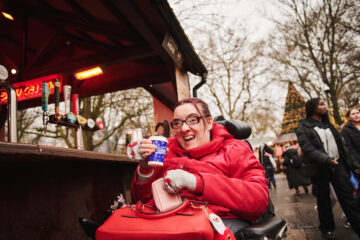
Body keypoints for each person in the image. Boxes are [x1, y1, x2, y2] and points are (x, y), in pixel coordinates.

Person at [132, 97, 269, 234]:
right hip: (168, 224)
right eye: (177, 123)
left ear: (209, 122)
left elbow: (258, 200)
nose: (184, 128)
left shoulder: (235, 149)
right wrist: (145, 169)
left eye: (192, 120)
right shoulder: (165, 150)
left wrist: (196, 182)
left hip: (218, 222)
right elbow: (140, 202)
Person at [295, 98, 360, 239]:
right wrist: (326, 160)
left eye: (325, 103)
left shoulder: (329, 125)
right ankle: (327, 229)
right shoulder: (303, 126)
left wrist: (354, 165)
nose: (325, 106)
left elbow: (343, 148)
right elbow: (308, 148)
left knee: (348, 198)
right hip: (320, 169)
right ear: (313, 108)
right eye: (321, 104)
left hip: (338, 165)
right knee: (324, 200)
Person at [341, 107, 360, 201]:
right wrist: (356, 165)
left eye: (358, 112)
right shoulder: (346, 131)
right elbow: (349, 150)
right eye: (353, 114)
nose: (356, 115)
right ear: (348, 117)